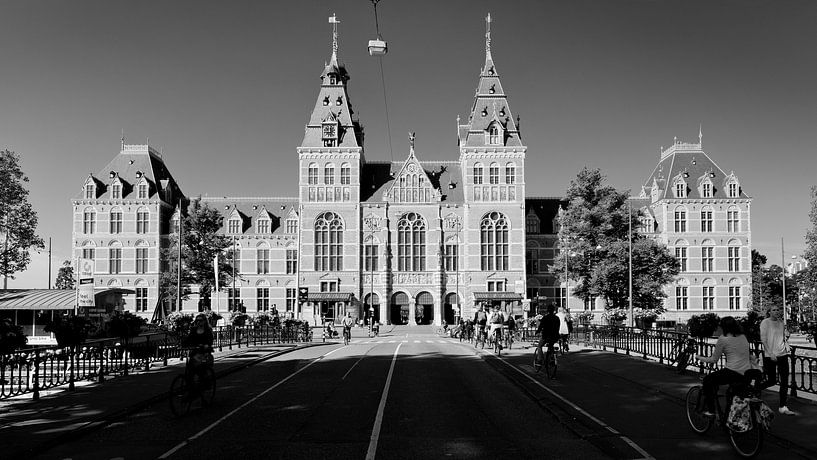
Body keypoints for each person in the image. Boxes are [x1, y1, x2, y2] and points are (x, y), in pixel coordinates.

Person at [695, 316, 760, 416]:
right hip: (747, 372)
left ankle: (711, 410)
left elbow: (714, 360)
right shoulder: (742, 336)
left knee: (708, 380)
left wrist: (700, 358)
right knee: (735, 393)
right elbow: (747, 354)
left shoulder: (723, 339)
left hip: (732, 371)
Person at [760, 305, 795, 415]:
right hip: (770, 355)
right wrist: (770, 353)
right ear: (769, 312)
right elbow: (763, 339)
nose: (776, 311)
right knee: (771, 381)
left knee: (784, 381)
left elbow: (782, 337)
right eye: (774, 310)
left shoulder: (781, 323)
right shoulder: (765, 322)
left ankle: (783, 406)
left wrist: (787, 337)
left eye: (777, 310)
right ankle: (755, 389)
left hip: (782, 354)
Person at [182, 313, 214, 390]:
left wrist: (206, 345)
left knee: (201, 370)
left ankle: (205, 384)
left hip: (204, 353)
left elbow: (210, 341)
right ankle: (190, 387)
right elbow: (189, 339)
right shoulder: (193, 330)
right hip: (195, 352)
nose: (199, 322)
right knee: (189, 370)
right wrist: (183, 345)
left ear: (204, 321)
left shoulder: (208, 330)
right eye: (197, 320)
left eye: (201, 320)